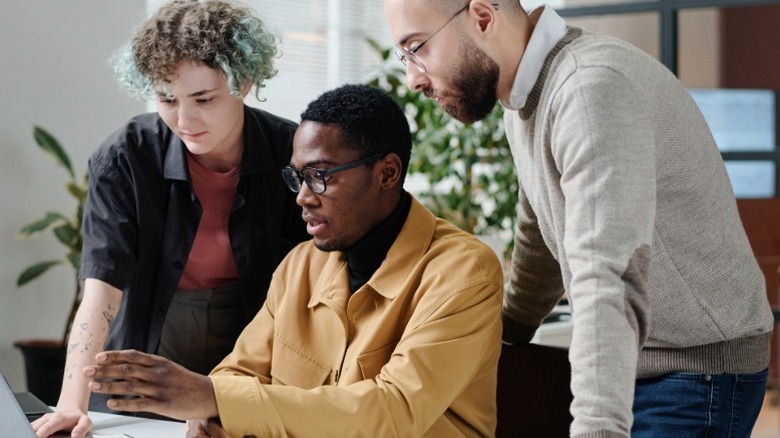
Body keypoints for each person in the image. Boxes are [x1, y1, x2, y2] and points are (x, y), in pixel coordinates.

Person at [384, 0, 774, 437]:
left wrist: (596, 428)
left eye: (417, 48)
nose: (412, 77)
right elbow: (539, 234)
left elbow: (606, 276)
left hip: (694, 370)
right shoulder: (524, 98)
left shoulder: (588, 90)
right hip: (644, 358)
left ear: (482, 17)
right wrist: (506, 333)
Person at [78, 83, 504, 437]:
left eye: (321, 175)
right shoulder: (302, 264)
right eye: (298, 177)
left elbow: (393, 411)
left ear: (387, 173)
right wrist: (212, 416)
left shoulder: (465, 272)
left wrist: (214, 399)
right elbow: (239, 372)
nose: (302, 196)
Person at [31, 1, 309, 437]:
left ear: (245, 81)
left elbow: (314, 288)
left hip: (253, 352)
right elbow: (101, 290)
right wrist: (70, 404)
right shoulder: (125, 155)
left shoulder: (292, 152)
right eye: (166, 99)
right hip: (146, 352)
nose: (185, 120)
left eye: (204, 99)